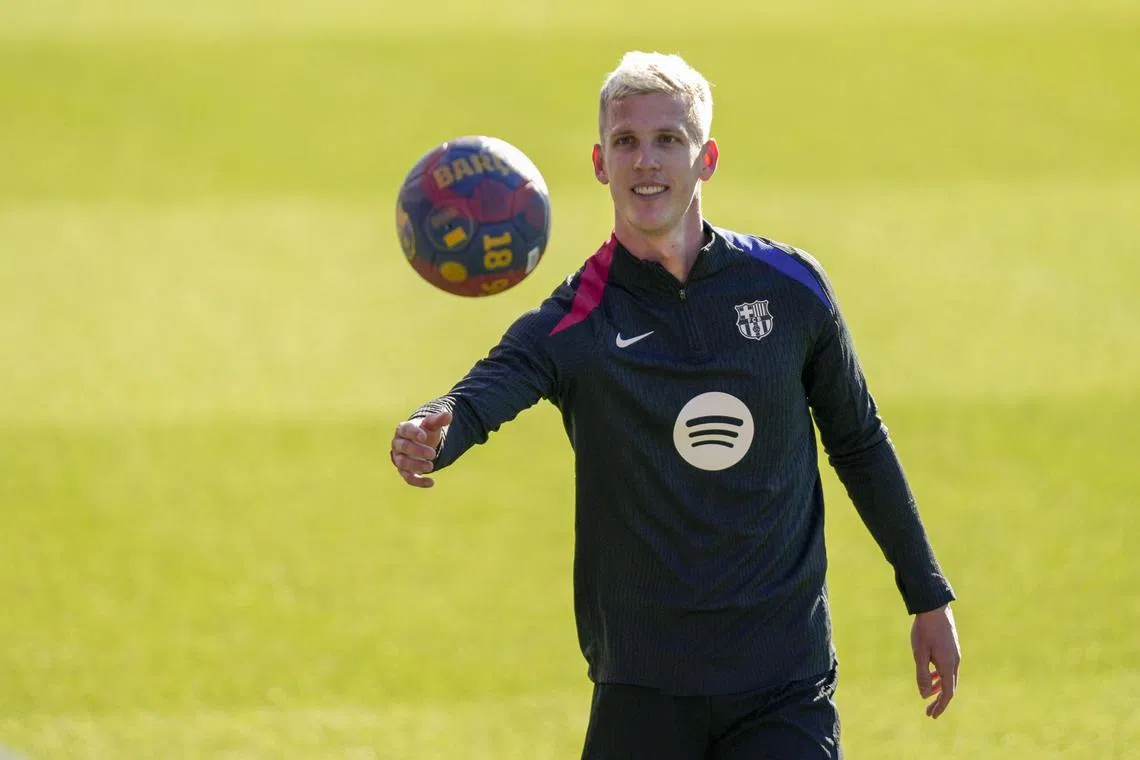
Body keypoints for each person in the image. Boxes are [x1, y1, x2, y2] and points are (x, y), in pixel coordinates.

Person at [389, 51, 960, 759]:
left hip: (785, 678)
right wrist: (437, 425)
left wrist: (925, 592)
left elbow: (858, 439)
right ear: (600, 162)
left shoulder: (790, 288)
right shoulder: (579, 318)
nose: (646, 161)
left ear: (707, 157)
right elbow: (493, 385)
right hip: (643, 686)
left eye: (669, 140)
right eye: (626, 142)